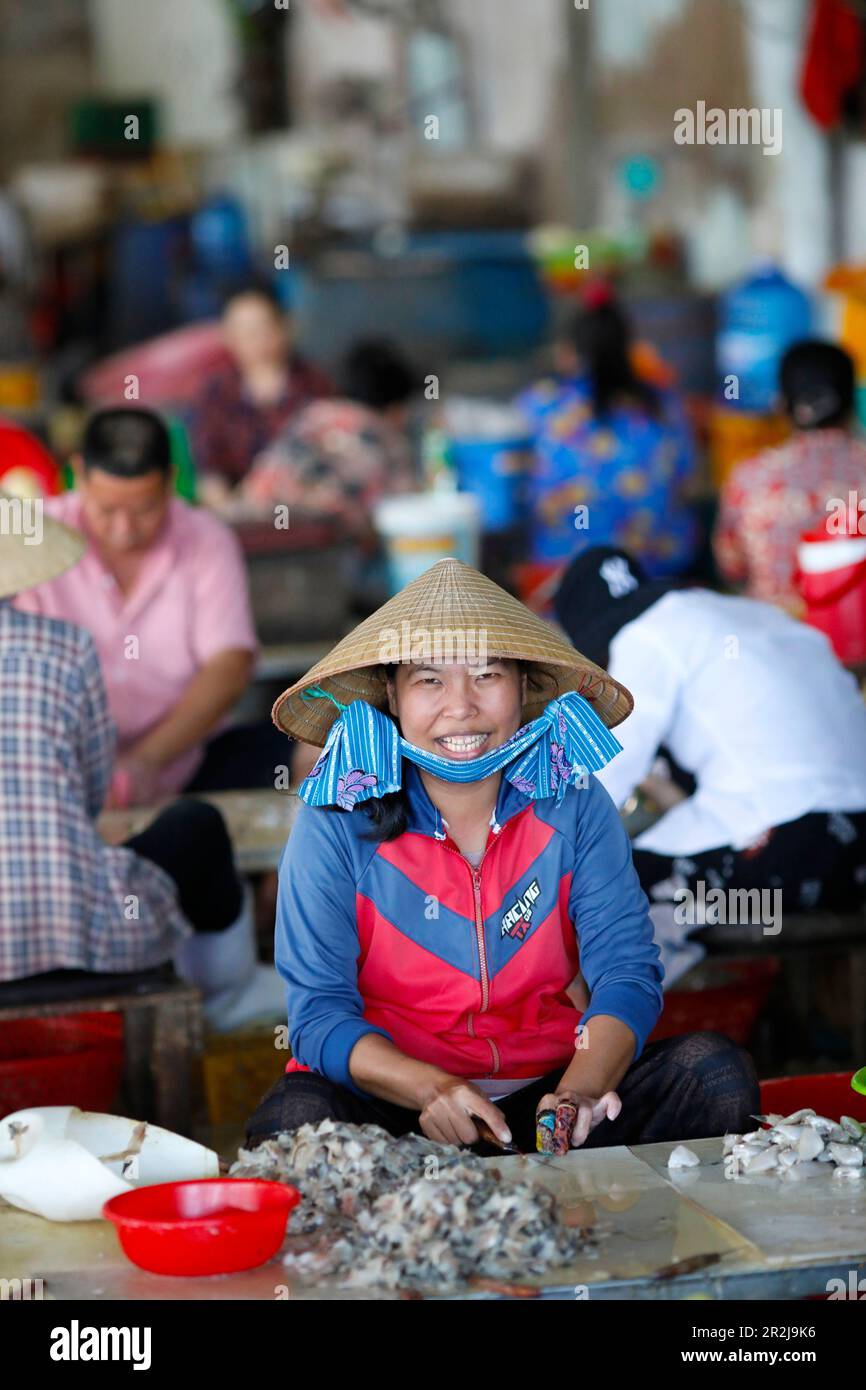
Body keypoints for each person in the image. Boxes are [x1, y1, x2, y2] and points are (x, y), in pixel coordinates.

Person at [244, 557, 759, 1154]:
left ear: (523, 687)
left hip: (547, 1098)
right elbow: (318, 1016)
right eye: (429, 680)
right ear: (393, 694)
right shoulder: (337, 817)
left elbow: (626, 970)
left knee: (714, 1075)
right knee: (292, 1123)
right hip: (398, 1103)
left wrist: (579, 1095)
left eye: (487, 674)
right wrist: (432, 1089)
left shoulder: (572, 801)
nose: (460, 706)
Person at [0, 490, 282, 1030]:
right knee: (196, 825)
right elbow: (88, 794)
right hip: (78, 942)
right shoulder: (64, 647)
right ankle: (228, 996)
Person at [554, 545, 866, 913]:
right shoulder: (752, 614)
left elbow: (602, 775)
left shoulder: (643, 636)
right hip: (855, 841)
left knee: (583, 887)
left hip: (792, 847)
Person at [14, 407, 290, 806]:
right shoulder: (33, 538)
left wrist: (145, 761)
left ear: (170, 484)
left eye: (144, 510)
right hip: (59, 765)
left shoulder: (206, 540)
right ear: (79, 475)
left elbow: (229, 664)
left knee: (311, 758)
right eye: (107, 510)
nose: (124, 529)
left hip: (186, 758)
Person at [516, 288, 699, 581]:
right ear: (629, 349)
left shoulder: (543, 406)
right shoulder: (664, 405)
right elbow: (687, 479)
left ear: (567, 353)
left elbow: (513, 472)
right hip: (657, 572)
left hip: (565, 574)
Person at [713, 340, 866, 611]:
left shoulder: (749, 477)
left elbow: (732, 567)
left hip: (773, 637)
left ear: (782, 405)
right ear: (853, 401)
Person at [240, 337, 419, 532]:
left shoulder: (312, 415)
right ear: (396, 406)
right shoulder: (385, 437)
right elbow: (408, 509)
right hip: (320, 547)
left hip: (251, 527)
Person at [190, 282, 331, 495]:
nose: (255, 341)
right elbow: (210, 469)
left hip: (305, 508)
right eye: (244, 332)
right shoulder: (216, 393)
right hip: (241, 512)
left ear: (284, 327)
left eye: (262, 329)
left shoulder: (315, 385)